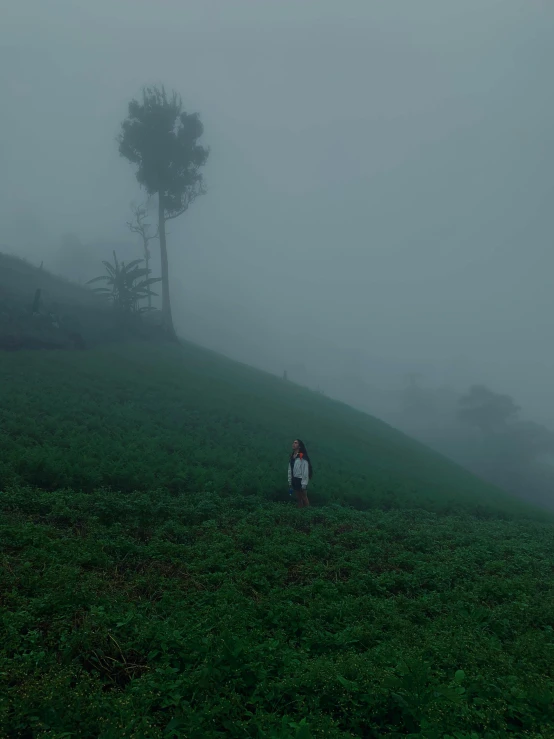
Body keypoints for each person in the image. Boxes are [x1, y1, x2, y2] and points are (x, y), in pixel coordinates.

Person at [288, 439, 313, 508]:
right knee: (298, 498)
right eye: (293, 442)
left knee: (304, 497)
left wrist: (304, 483)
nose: (293, 444)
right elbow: (290, 469)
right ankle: (300, 513)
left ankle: (309, 513)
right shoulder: (292, 456)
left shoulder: (302, 456)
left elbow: (305, 471)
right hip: (294, 479)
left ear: (299, 446)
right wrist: (290, 480)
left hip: (300, 479)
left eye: (296, 443)